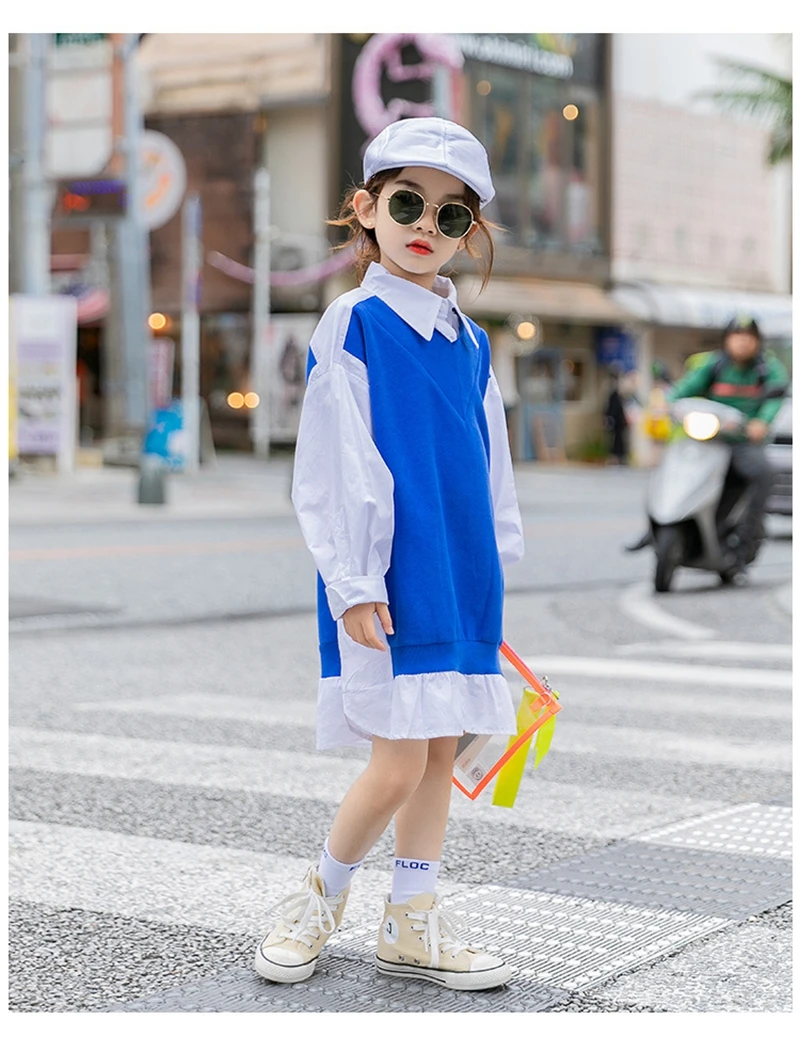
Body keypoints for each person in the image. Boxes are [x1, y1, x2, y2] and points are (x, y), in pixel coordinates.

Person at [254, 117, 524, 991]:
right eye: (408, 203)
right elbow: (337, 462)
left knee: (440, 751)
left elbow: (490, 463)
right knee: (400, 756)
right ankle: (318, 899)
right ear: (367, 209)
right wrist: (354, 581)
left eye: (451, 215)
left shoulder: (471, 340)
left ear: (468, 233)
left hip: (459, 572)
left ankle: (412, 918)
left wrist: (493, 567)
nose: (425, 226)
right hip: (389, 573)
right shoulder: (356, 320)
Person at [665, 316, 788, 572]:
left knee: (763, 473)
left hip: (743, 442)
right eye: (737, 336)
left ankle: (745, 541)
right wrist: (666, 403)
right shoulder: (714, 365)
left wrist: (761, 422)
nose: (742, 342)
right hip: (710, 440)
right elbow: (683, 389)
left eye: (748, 337)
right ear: (727, 339)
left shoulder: (767, 368)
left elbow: (774, 400)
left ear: (757, 341)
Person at [604, 369, 629, 464]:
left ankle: (618, 456)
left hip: (618, 421)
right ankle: (616, 456)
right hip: (616, 420)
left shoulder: (616, 395)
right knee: (615, 439)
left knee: (618, 439)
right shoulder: (614, 395)